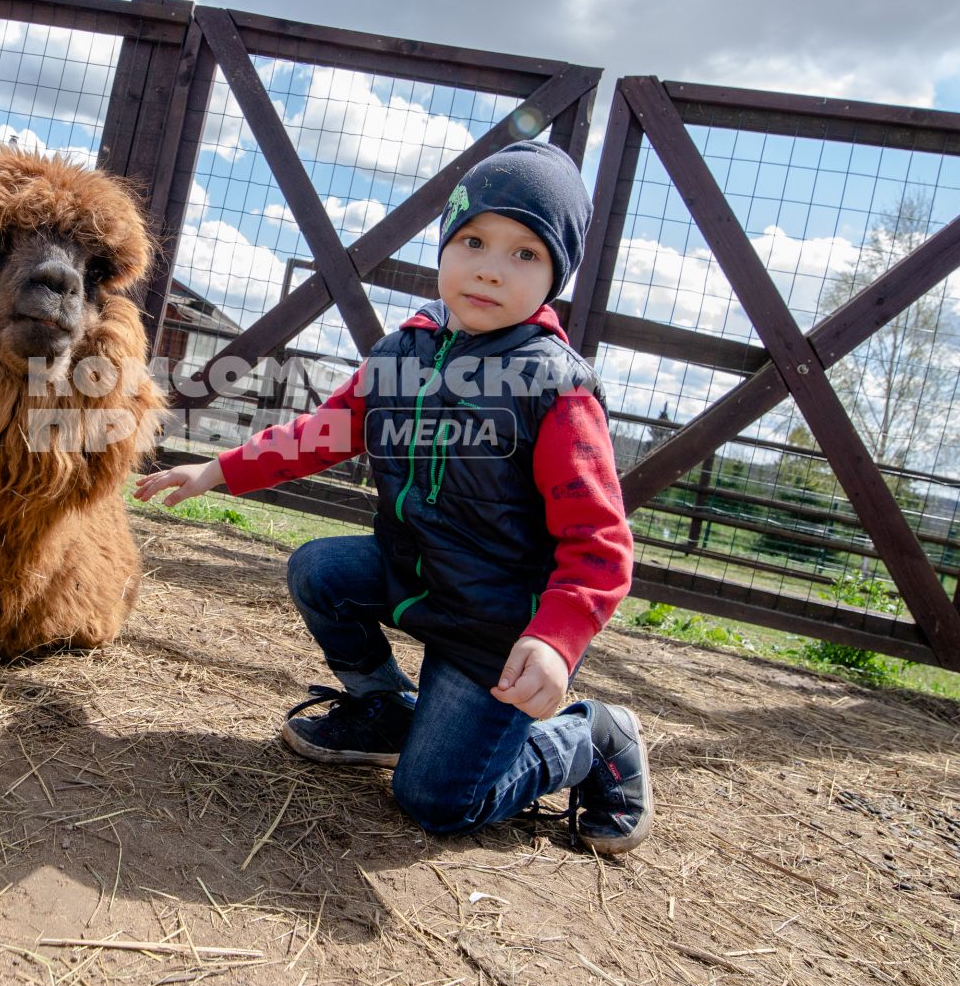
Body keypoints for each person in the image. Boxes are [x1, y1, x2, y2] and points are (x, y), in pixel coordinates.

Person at [135, 141, 650, 853]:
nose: (489, 268)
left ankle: (590, 738)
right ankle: (387, 709)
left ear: (557, 275)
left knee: (437, 800)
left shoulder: (554, 388)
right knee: (318, 569)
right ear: (445, 245)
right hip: (415, 577)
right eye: (472, 240)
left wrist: (556, 639)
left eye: (525, 254)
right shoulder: (402, 354)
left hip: (497, 628)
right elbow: (323, 432)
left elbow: (599, 543)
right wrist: (220, 470)